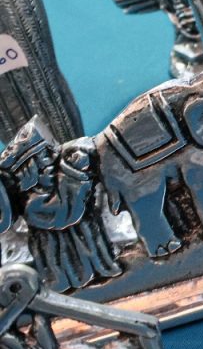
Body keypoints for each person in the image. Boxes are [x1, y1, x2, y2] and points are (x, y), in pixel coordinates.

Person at [0, 119, 120, 293]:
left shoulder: (57, 178)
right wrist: (77, 178)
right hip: (56, 246)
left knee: (89, 246)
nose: (50, 160)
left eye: (49, 154)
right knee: (66, 263)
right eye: (43, 157)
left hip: (82, 235)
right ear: (29, 169)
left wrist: (76, 174)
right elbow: (64, 212)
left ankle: (98, 270)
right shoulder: (32, 202)